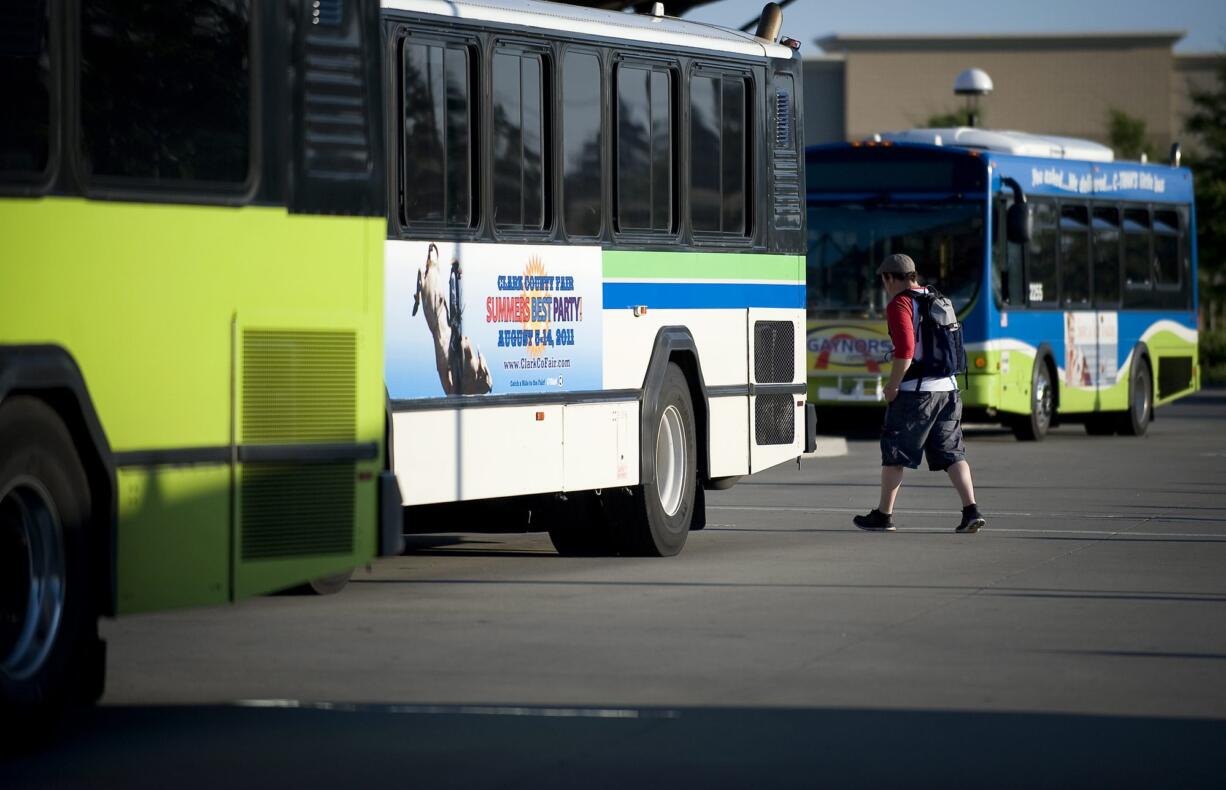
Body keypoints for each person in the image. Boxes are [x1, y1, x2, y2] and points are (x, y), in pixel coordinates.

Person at [853, 253, 986, 534]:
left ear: (890, 278)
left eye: (884, 280)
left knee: (896, 453)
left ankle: (883, 515)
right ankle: (971, 510)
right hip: (949, 390)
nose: (885, 286)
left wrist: (892, 385)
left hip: (917, 393)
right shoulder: (936, 297)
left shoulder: (901, 303)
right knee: (952, 453)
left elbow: (905, 351)